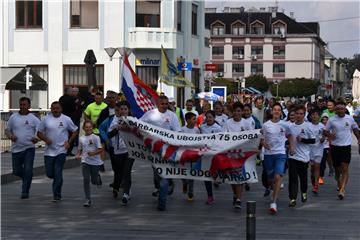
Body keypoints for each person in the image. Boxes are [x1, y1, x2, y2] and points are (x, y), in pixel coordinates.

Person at [140, 95, 181, 211]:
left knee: (164, 174)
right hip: (153, 149)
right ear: (157, 104)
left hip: (168, 149)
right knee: (157, 173)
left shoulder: (172, 116)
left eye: (166, 104)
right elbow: (139, 124)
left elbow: (177, 131)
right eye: (162, 104)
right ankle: (166, 185)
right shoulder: (150, 114)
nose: (164, 106)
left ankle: (162, 201)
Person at [37, 101, 78, 202]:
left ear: (61, 109)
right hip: (49, 151)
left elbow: (75, 130)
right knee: (50, 174)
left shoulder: (66, 119)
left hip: (61, 150)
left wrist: (69, 142)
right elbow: (39, 133)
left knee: (58, 172)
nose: (55, 110)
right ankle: (56, 181)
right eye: (53, 108)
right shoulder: (45, 119)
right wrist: (46, 140)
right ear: (51, 109)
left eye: (57, 108)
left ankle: (57, 195)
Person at [261, 103, 294, 214]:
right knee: (271, 179)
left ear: (281, 112)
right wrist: (263, 143)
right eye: (274, 109)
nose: (276, 111)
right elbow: (262, 138)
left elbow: (290, 135)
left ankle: (274, 203)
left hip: (280, 153)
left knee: (278, 176)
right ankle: (272, 189)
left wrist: (292, 147)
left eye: (278, 110)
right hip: (268, 154)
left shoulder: (285, 125)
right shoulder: (266, 125)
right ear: (271, 111)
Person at [323, 101, 360, 200]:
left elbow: (355, 129)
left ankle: (342, 189)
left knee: (345, 168)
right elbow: (325, 131)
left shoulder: (350, 118)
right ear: (335, 110)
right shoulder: (331, 120)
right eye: (338, 109)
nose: (340, 110)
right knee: (337, 170)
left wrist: (359, 140)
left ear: (345, 109)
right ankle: (339, 184)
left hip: (346, 147)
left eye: (342, 109)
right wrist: (330, 135)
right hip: (335, 147)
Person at [5, 97, 40, 199]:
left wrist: (36, 138)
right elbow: (7, 130)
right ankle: (27, 178)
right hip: (16, 149)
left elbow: (40, 130)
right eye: (21, 104)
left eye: (24, 105)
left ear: (29, 106)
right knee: (16, 171)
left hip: (29, 148)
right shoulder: (13, 117)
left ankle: (25, 191)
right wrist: (11, 136)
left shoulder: (33, 118)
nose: (22, 106)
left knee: (28, 169)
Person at [223, 102, 254, 209]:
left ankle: (239, 199)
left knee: (240, 177)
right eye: (235, 111)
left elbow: (252, 136)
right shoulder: (228, 123)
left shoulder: (246, 123)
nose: (237, 113)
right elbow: (224, 136)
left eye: (239, 111)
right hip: (230, 153)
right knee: (232, 177)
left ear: (242, 112)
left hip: (242, 153)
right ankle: (235, 194)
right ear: (232, 112)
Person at [288, 105, 315, 207]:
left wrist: (303, 140)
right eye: (297, 114)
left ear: (304, 115)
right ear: (294, 115)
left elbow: (313, 140)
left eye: (301, 114)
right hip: (293, 156)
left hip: (304, 157)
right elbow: (287, 138)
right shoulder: (290, 126)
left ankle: (304, 192)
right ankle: (292, 198)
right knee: (293, 178)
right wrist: (289, 145)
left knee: (303, 178)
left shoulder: (308, 126)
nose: (299, 116)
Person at [108, 101, 134, 206]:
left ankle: (126, 194)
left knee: (127, 171)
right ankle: (123, 187)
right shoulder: (115, 120)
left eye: (125, 109)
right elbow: (109, 134)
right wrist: (117, 128)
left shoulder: (133, 121)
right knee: (119, 172)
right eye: (121, 109)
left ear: (129, 110)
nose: (123, 111)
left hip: (130, 151)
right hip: (118, 151)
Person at [75, 121, 103, 207]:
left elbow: (100, 149)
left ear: (92, 128)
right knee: (86, 179)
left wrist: (93, 153)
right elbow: (80, 149)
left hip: (95, 162)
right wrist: (78, 155)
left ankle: (97, 178)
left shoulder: (96, 138)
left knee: (93, 181)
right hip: (85, 161)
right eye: (86, 127)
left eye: (90, 127)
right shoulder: (81, 138)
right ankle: (87, 199)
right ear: (83, 128)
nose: (88, 129)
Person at [200, 110, 223, 205]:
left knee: (214, 174)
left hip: (215, 154)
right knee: (206, 176)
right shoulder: (202, 127)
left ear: (214, 118)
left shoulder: (219, 128)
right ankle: (210, 196)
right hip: (205, 155)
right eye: (207, 117)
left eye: (210, 117)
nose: (209, 119)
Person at [84, 92, 107, 173]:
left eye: (99, 98)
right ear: (94, 98)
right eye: (96, 98)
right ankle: (94, 163)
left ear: (102, 98)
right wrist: (90, 122)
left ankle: (101, 164)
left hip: (102, 131)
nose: (98, 100)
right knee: (94, 148)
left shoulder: (105, 106)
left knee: (102, 148)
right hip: (93, 131)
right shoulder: (90, 106)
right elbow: (86, 115)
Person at [180, 112, 200, 201]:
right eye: (193, 119)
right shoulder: (182, 130)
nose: (195, 121)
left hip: (194, 154)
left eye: (195, 119)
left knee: (192, 173)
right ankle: (184, 183)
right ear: (187, 120)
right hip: (184, 154)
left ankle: (190, 192)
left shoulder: (197, 130)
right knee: (183, 172)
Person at [308, 108, 325, 194]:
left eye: (316, 115)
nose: (315, 116)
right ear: (310, 116)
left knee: (317, 166)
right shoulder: (307, 126)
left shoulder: (322, 126)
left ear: (319, 116)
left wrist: (323, 138)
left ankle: (316, 185)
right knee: (312, 168)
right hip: (310, 150)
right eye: (313, 115)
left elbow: (325, 135)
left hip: (319, 149)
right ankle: (314, 180)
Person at [59, 87, 76, 156]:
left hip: (61, 118)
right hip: (70, 118)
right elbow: (74, 108)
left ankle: (63, 149)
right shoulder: (71, 99)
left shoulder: (61, 98)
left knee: (62, 133)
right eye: (71, 91)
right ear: (67, 91)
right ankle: (69, 150)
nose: (72, 92)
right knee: (71, 134)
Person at [319, 113, 333, 185]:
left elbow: (333, 136)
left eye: (326, 120)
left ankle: (331, 169)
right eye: (323, 120)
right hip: (320, 147)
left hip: (328, 146)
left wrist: (330, 138)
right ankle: (320, 176)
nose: (324, 121)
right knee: (322, 162)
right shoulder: (319, 126)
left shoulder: (330, 127)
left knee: (328, 159)